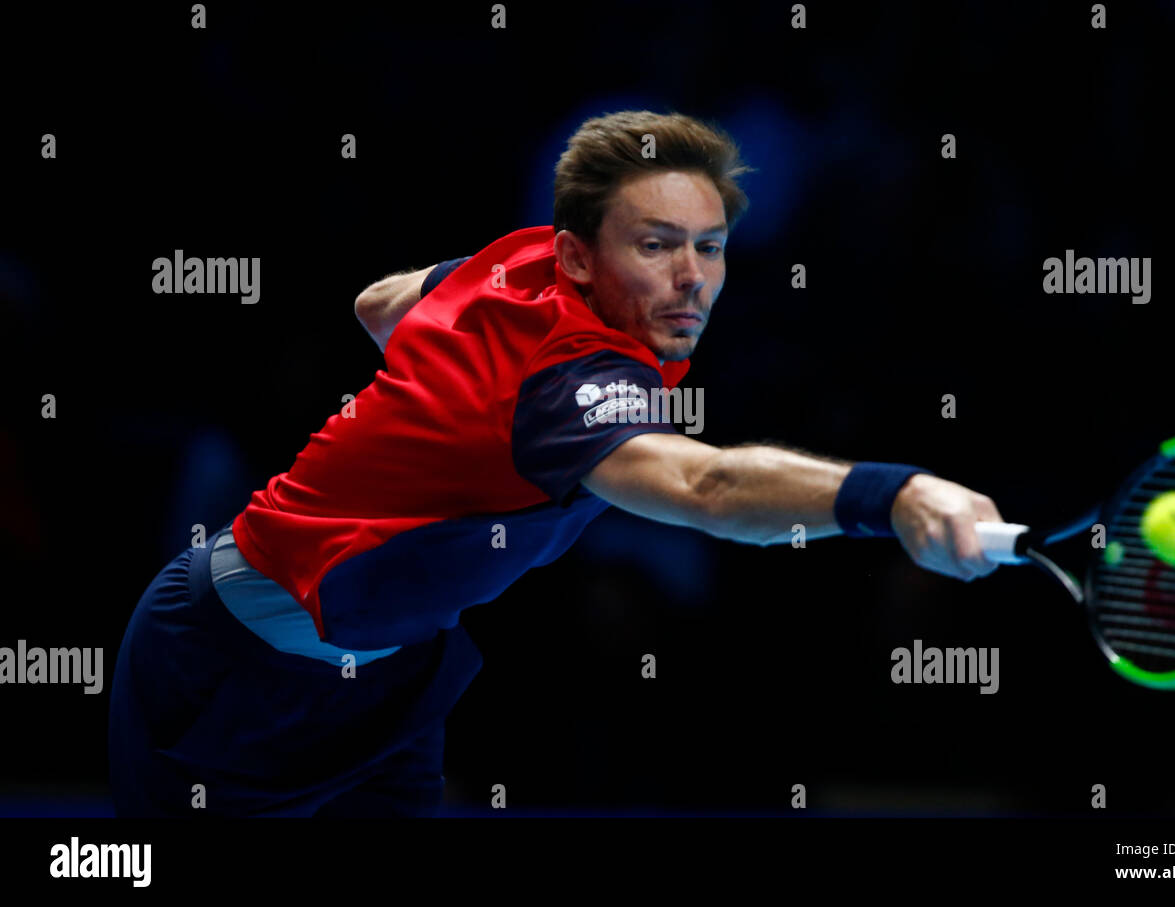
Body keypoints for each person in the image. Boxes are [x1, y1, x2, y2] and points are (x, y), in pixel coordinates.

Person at [108, 109, 1004, 817]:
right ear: (580, 252)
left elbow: (377, 302)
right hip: (236, 672)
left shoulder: (519, 260)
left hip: (383, 675)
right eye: (655, 244)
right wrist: (896, 495)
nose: (692, 275)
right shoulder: (573, 369)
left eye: (710, 245)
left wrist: (448, 397)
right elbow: (703, 484)